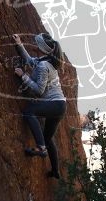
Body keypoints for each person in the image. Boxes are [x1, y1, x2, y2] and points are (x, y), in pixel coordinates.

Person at [12, 32, 67, 179]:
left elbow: (38, 90)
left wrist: (23, 75)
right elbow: (30, 61)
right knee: (48, 138)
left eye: (38, 43)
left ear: (43, 47)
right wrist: (19, 44)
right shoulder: (46, 60)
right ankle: (55, 171)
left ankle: (41, 149)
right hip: (60, 106)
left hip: (54, 105)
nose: (36, 45)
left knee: (29, 112)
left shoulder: (44, 65)